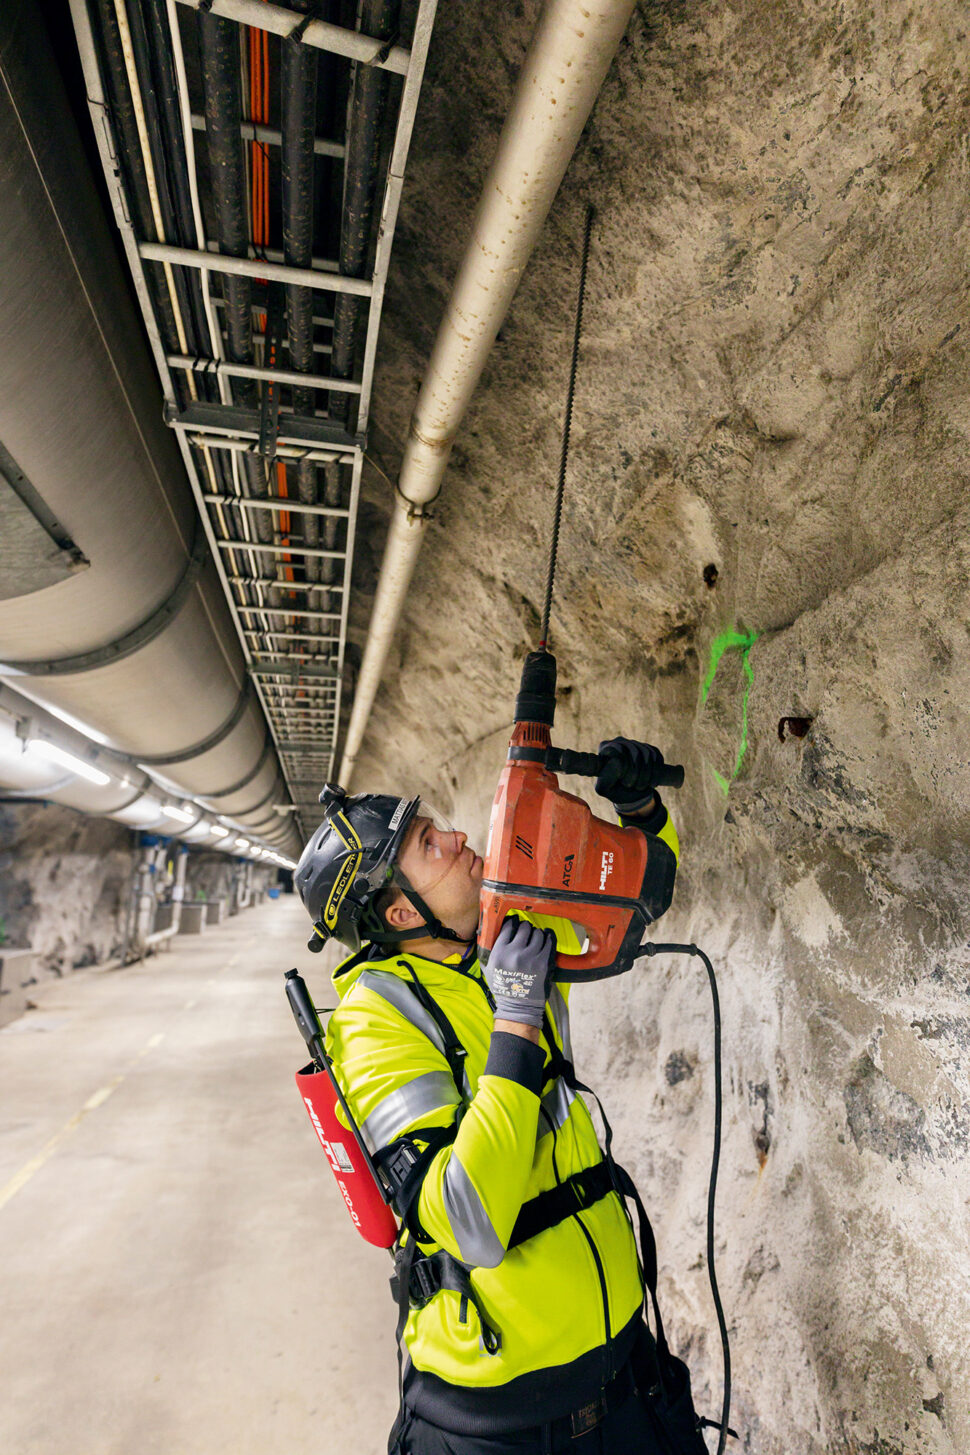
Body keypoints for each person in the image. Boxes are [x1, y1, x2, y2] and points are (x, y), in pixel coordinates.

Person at [295, 738, 685, 1455]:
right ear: (402, 912)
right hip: (502, 1420)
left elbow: (639, 899)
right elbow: (472, 1221)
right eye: (428, 843)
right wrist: (515, 1021)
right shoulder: (375, 1023)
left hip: (622, 1366)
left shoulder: (507, 941)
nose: (459, 837)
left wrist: (640, 807)